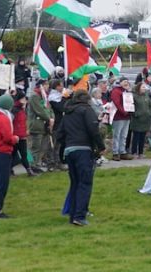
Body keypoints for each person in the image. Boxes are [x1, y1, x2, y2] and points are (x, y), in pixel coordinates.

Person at [57, 90, 106, 226]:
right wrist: (101, 146)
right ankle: (79, 215)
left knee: (75, 183)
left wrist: (66, 144)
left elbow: (60, 134)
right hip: (83, 149)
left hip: (69, 149)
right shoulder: (86, 110)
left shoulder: (68, 112)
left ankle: (73, 214)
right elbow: (93, 130)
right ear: (87, 100)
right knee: (85, 183)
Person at [28, 79, 54, 172]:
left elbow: (49, 108)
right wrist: (48, 118)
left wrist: (52, 118)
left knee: (43, 146)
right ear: (41, 86)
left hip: (45, 125)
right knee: (36, 146)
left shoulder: (45, 96)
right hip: (37, 125)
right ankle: (32, 165)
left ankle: (38, 163)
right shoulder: (34, 96)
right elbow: (39, 110)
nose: (47, 86)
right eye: (45, 85)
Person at [110, 79, 134, 161]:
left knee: (124, 135)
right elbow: (117, 103)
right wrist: (124, 111)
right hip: (118, 116)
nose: (126, 83)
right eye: (124, 82)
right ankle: (115, 152)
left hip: (126, 116)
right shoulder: (116, 91)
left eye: (127, 82)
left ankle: (122, 151)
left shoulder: (127, 91)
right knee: (117, 134)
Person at [131, 82, 151, 159]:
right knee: (136, 137)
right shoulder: (134, 96)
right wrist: (136, 113)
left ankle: (141, 152)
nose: (144, 88)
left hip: (146, 120)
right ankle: (134, 152)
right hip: (137, 120)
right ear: (139, 88)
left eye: (145, 87)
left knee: (142, 137)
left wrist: (150, 112)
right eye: (143, 87)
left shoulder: (147, 96)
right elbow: (131, 106)